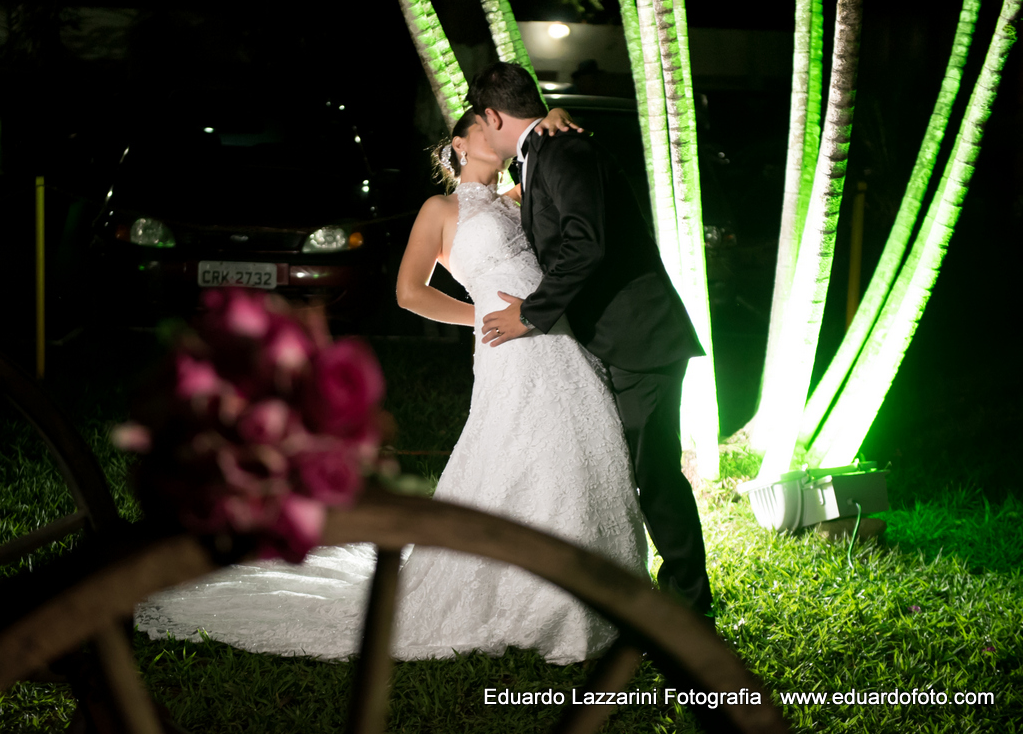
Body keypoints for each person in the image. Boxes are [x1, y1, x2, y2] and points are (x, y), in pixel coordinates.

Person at [133, 104, 650, 665]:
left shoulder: (522, 196)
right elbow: (410, 292)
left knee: (575, 451)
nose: (495, 130)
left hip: (558, 336)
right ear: (459, 143)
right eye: (482, 123)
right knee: (526, 449)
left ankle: (592, 589)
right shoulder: (441, 209)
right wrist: (478, 317)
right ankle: (539, 600)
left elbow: (584, 200)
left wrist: (559, 113)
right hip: (506, 347)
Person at [474, 62, 713, 620]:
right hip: (607, 341)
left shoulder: (565, 152)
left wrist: (530, 315)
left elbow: (586, 243)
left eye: (481, 124)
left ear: (493, 115)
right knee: (624, 469)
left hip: (642, 340)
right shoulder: (545, 152)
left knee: (654, 473)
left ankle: (688, 601)